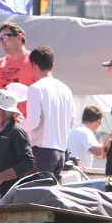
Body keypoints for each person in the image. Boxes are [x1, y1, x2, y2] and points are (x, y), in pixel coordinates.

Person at [21, 46, 74, 181]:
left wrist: (18, 127)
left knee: (35, 195)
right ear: (52, 65)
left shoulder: (35, 88)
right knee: (53, 198)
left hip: (41, 151)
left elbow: (33, 121)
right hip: (61, 151)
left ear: (33, 65)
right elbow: (72, 120)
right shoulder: (66, 89)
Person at [0, 22, 36, 90]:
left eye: (5, 37)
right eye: (0, 39)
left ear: (19, 37)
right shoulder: (0, 63)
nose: (2, 41)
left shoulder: (35, 60)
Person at [67, 106, 105, 171]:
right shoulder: (86, 132)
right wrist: (111, 146)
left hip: (70, 172)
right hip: (81, 174)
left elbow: (96, 154)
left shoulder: (72, 130)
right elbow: (96, 152)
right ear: (98, 121)